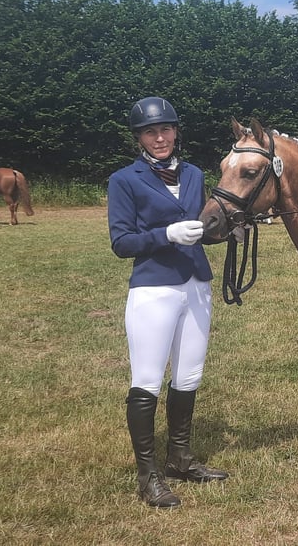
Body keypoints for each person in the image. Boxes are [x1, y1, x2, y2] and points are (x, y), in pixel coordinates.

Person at [108, 96, 228, 509]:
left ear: (176, 132)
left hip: (196, 284)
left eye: (165, 130)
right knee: (147, 379)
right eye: (150, 132)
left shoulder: (194, 173)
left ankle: (180, 458)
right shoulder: (124, 179)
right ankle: (148, 474)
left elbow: (204, 224)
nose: (159, 138)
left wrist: (224, 231)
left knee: (189, 376)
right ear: (139, 137)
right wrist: (166, 235)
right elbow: (121, 242)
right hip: (154, 287)